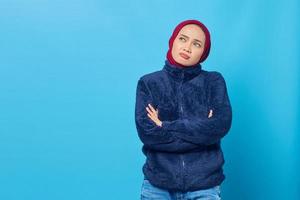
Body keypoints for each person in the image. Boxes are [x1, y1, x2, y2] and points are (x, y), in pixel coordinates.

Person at [135, 19, 232, 200]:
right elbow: (149, 135)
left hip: (204, 185)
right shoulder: (149, 83)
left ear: (204, 52)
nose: (187, 48)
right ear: (173, 41)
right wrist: (201, 128)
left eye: (196, 44)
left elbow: (219, 126)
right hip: (158, 185)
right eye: (183, 39)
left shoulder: (214, 82)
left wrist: (164, 125)